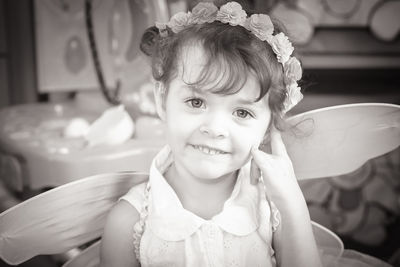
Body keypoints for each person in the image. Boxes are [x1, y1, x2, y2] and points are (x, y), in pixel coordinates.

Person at [99, 2, 392, 267]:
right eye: (196, 102)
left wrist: (291, 201)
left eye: (242, 113)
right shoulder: (130, 221)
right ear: (162, 99)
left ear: (268, 126)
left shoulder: (270, 208)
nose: (214, 129)